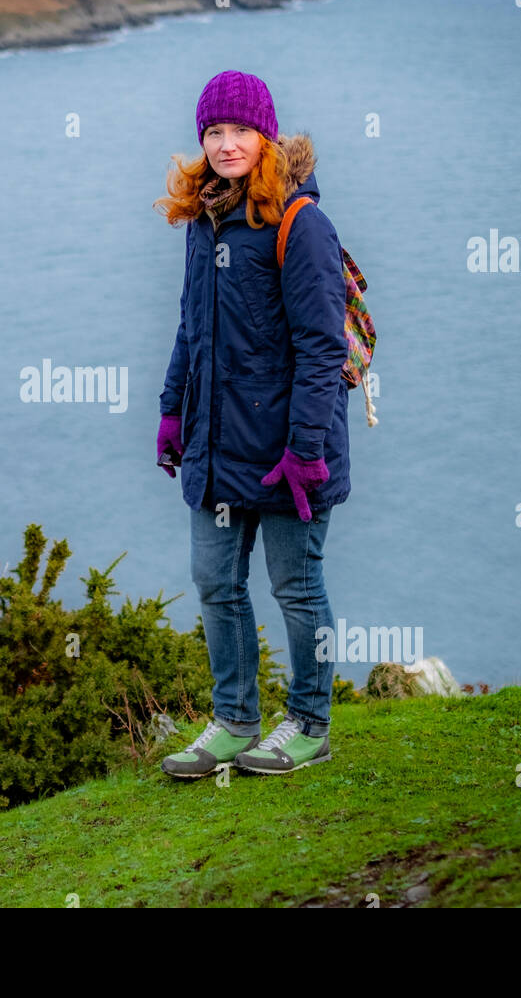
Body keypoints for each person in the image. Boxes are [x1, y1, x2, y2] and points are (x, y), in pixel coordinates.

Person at [153, 69, 350, 779]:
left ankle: (309, 724)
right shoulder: (203, 220)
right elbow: (189, 326)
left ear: (266, 135)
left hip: (290, 452)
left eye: (239, 130)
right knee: (215, 583)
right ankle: (235, 720)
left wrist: (305, 452)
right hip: (216, 447)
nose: (226, 143)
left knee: (297, 588)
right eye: (213, 131)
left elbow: (323, 346)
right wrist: (172, 411)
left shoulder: (300, 223)